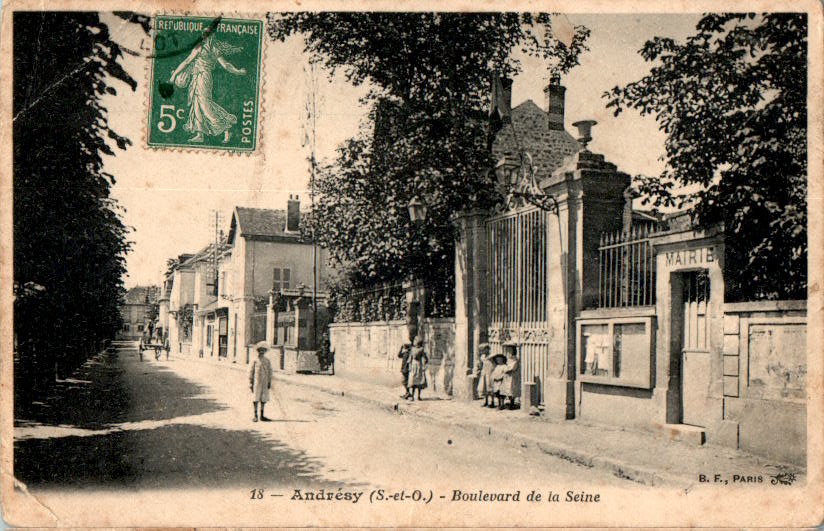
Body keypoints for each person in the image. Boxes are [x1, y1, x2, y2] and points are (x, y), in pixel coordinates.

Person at [169, 28, 247, 144]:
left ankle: (226, 127)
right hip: (196, 77)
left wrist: (238, 71)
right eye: (204, 35)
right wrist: (174, 75)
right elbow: (187, 61)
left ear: (212, 36)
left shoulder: (215, 49)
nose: (206, 37)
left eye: (208, 34)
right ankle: (200, 134)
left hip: (205, 77)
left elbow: (225, 65)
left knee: (205, 104)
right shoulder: (199, 47)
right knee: (196, 104)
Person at [249, 341, 273, 422]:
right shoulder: (255, 360)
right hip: (256, 382)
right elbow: (251, 371)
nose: (261, 352)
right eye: (260, 350)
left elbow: (270, 372)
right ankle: (255, 415)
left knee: (263, 398)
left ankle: (262, 415)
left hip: (265, 382)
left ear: (265, 351)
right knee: (255, 398)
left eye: (263, 350)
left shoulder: (267, 361)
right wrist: (250, 382)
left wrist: (269, 382)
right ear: (258, 351)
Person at [500, 342, 522, 410]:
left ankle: (512, 403)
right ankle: (504, 403)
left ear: (513, 351)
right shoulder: (507, 359)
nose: (509, 352)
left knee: (512, 389)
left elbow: (512, 367)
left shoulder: (515, 359)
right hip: (507, 376)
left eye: (510, 350)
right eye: (508, 350)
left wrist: (506, 369)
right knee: (505, 389)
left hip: (513, 376)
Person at [474, 343, 496, 407]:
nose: (483, 351)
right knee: (485, 388)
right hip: (484, 373)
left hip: (490, 373)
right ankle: (486, 401)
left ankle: (492, 402)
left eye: (484, 350)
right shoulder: (482, 357)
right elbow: (481, 365)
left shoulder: (492, 356)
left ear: (487, 349)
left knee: (490, 387)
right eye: (482, 350)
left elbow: (494, 364)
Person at [407, 335, 428, 401]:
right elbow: (410, 357)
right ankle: (412, 396)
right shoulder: (412, 349)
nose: (414, 342)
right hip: (414, 365)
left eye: (416, 341)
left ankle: (418, 396)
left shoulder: (421, 349)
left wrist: (424, 365)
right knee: (413, 381)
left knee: (419, 382)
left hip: (418, 366)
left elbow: (424, 358)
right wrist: (409, 365)